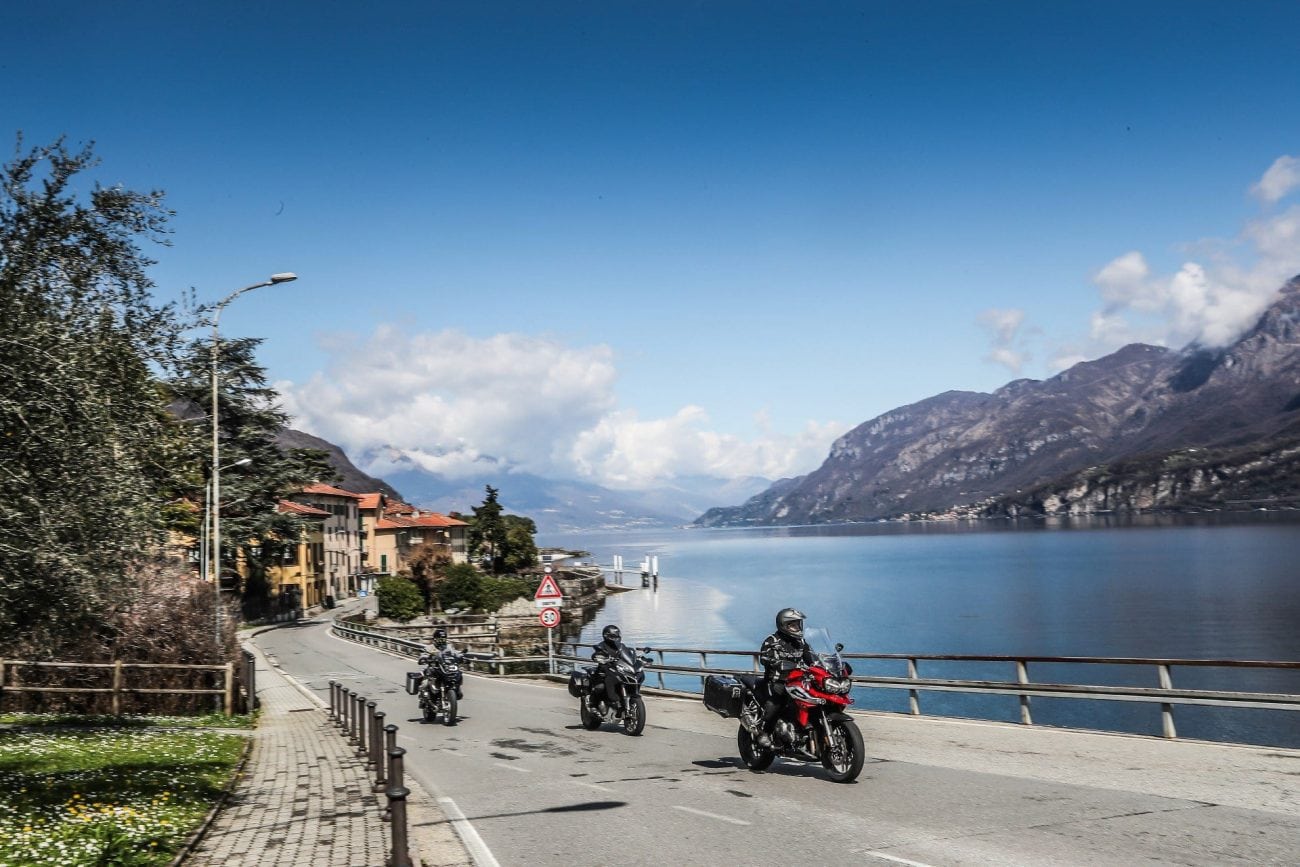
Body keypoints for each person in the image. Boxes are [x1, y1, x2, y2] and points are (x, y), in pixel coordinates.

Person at [755, 607, 814, 749]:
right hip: (777, 681)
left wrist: (820, 665)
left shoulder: (801, 642)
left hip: (797, 680)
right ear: (784, 625)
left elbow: (810, 658)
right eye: (793, 625)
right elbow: (764, 657)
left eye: (798, 624)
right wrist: (775, 662)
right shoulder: (772, 641)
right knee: (777, 703)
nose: (797, 627)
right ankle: (764, 732)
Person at [590, 624, 628, 710]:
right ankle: (594, 705)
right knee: (601, 686)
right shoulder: (602, 645)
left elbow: (627, 653)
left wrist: (635, 657)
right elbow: (596, 655)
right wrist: (601, 658)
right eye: (614, 636)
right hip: (604, 671)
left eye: (617, 636)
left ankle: (622, 701)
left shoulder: (621, 646)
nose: (616, 638)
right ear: (607, 636)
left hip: (618, 670)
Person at [428, 626, 464, 700]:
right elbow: (425, 653)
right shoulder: (430, 647)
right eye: (440, 639)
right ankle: (426, 696)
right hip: (434, 668)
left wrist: (461, 656)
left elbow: (455, 653)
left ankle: (456, 689)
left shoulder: (449, 647)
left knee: (458, 673)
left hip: (445, 667)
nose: (441, 641)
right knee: (425, 681)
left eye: (443, 639)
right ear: (435, 639)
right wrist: (424, 657)